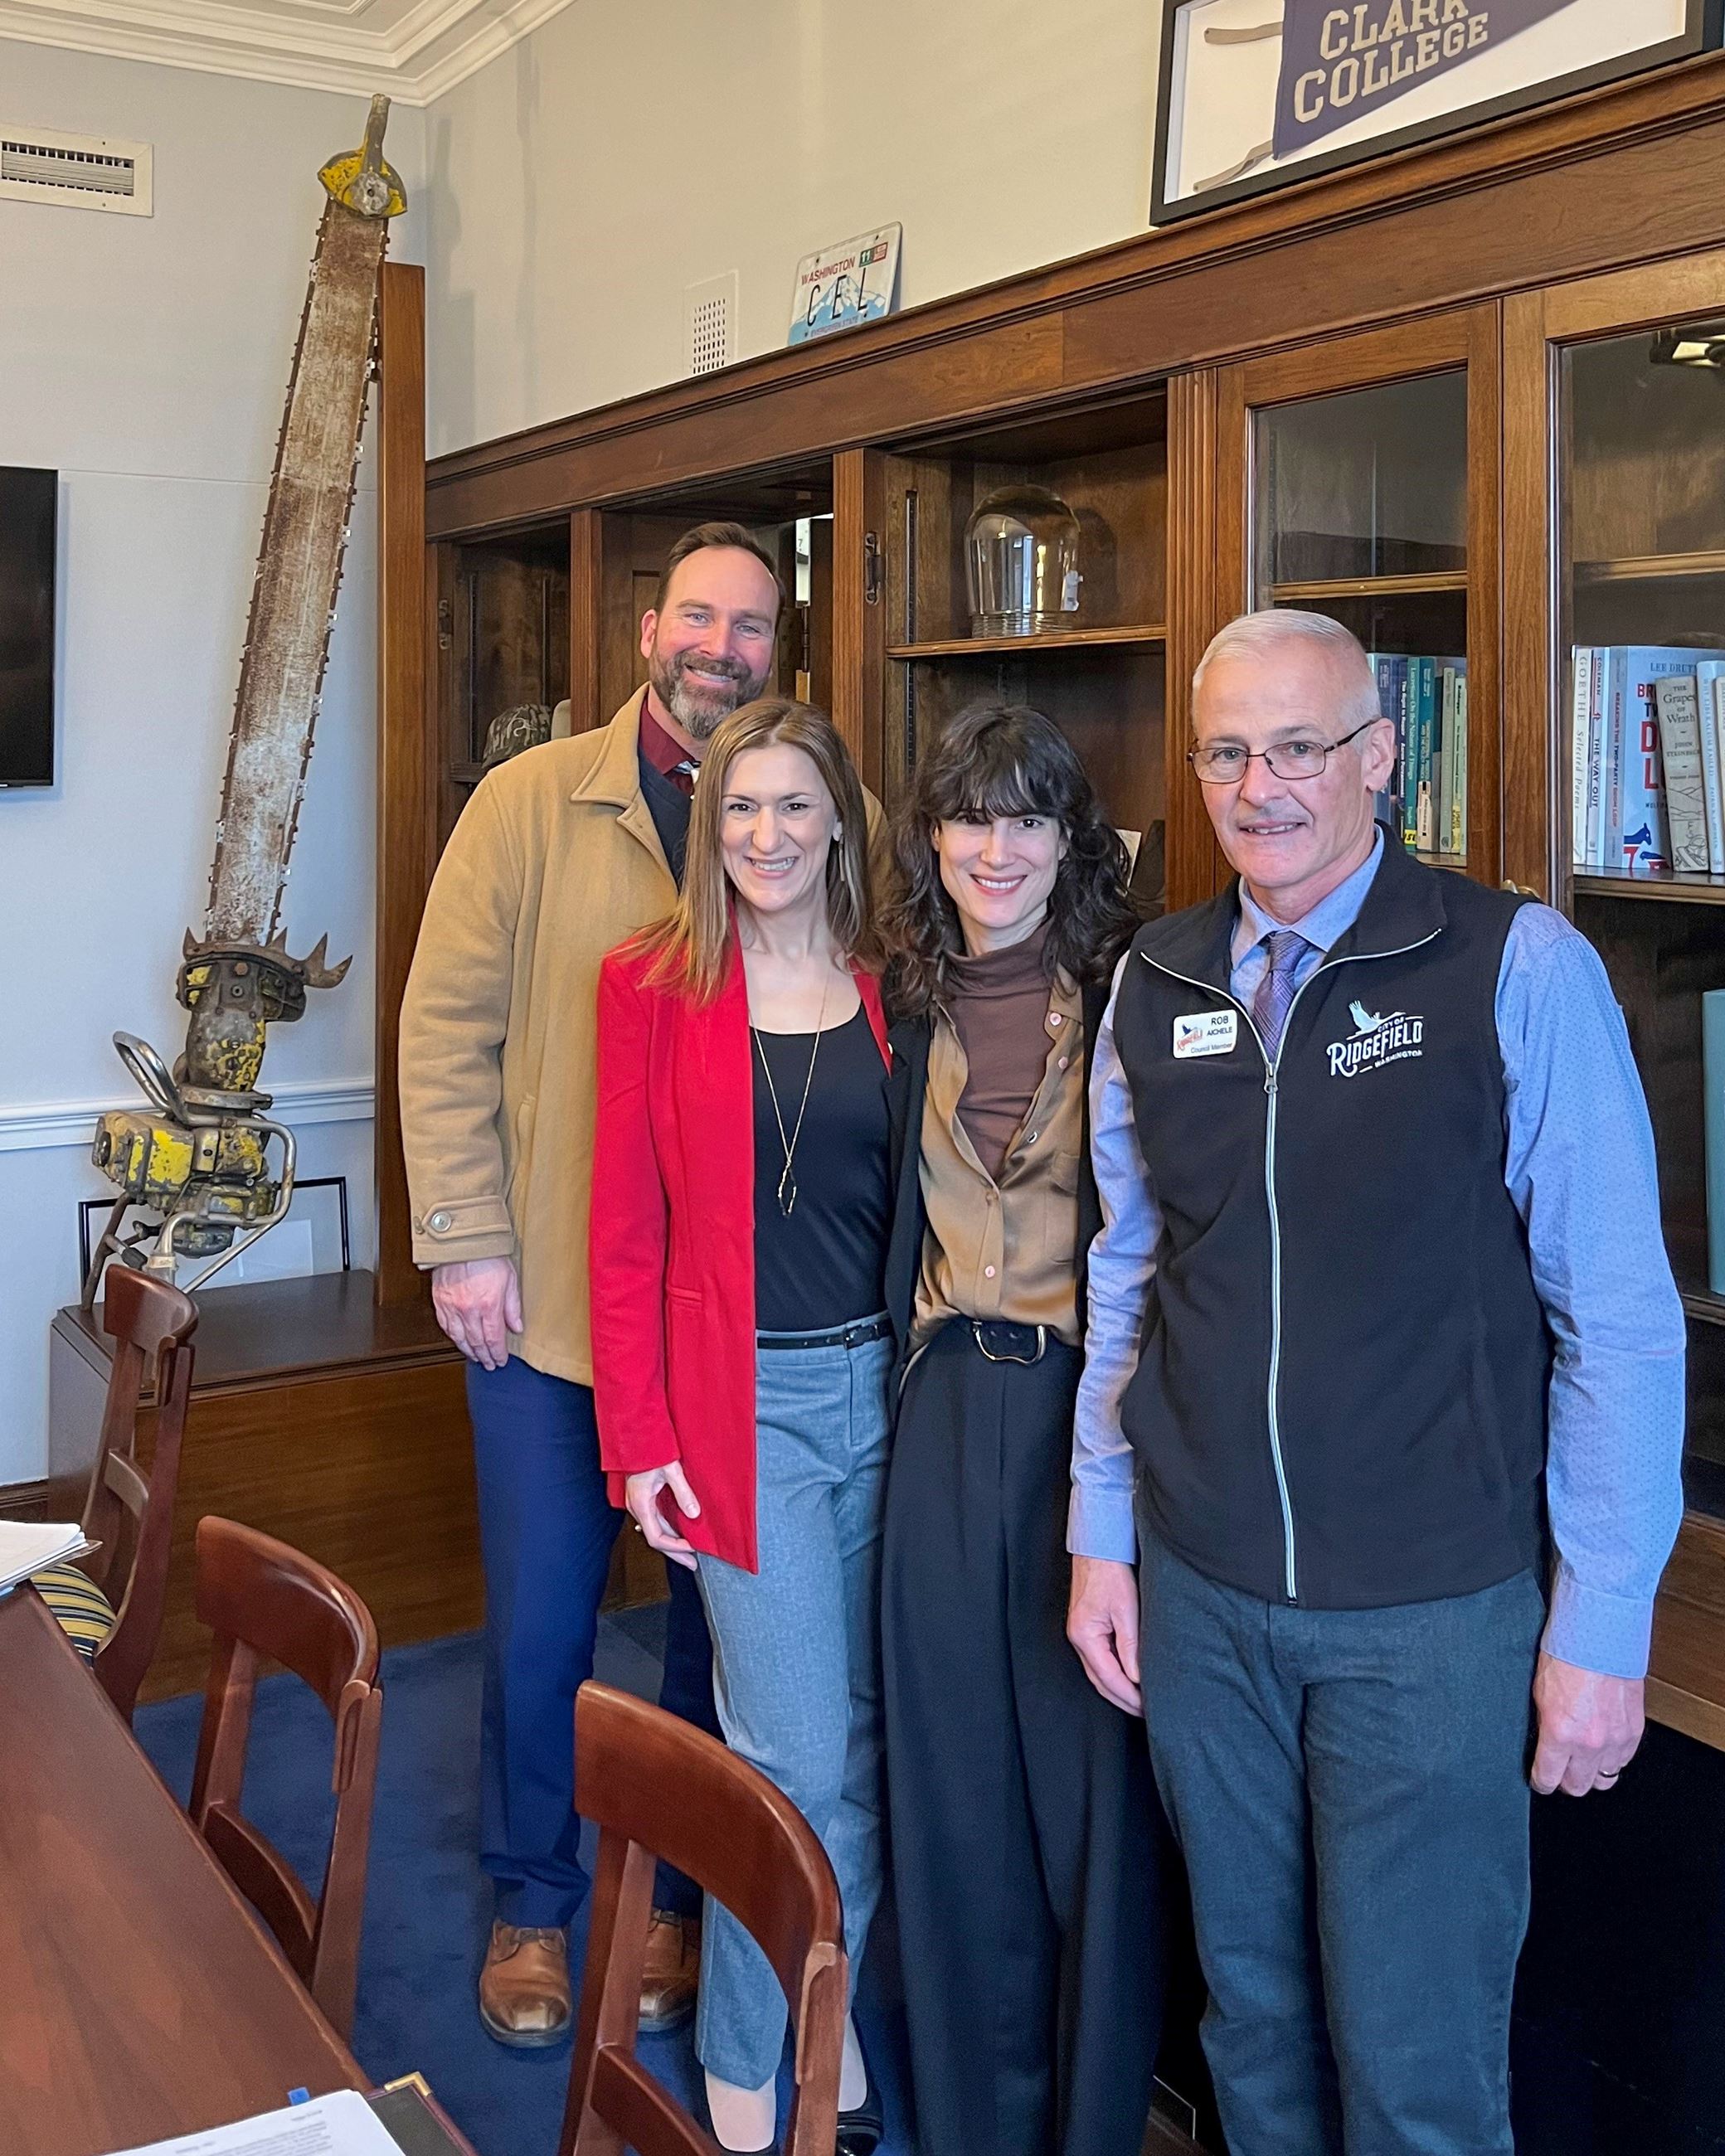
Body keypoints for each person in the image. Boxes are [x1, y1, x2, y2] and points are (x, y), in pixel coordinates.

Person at [1067, 609, 1687, 2156]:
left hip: (1428, 1620)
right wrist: (1099, 1526)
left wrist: (1604, 1621)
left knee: (1417, 2064)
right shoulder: (1154, 982)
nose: (1260, 785)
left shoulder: (1509, 962)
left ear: (1377, 758)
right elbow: (1129, 1273)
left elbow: (1616, 1312)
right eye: (1226, 751)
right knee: (1254, 2029)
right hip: (1203, 1602)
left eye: (1298, 746)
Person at [398, 522, 784, 2047]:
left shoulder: (807, 805)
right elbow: (445, 1034)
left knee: (715, 1635)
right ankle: (536, 1902)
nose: (723, 647)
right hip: (549, 1306)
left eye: (752, 626)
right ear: (646, 633)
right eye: (699, 616)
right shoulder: (526, 802)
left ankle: (679, 1903)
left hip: (727, 1326)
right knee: (548, 1623)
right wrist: (463, 1239)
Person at [590, 699, 892, 2156]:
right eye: (738, 810)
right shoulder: (649, 984)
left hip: (893, 1397)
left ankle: (831, 2054)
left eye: (791, 806)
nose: (765, 837)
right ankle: (746, 2069)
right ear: (709, 831)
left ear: (839, 816)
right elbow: (624, 1239)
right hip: (738, 1409)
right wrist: (638, 1438)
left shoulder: (900, 984)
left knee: (876, 1749)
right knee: (792, 1756)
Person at [878, 705, 1168, 2156]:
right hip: (941, 1412)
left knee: (1088, 1805)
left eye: (1029, 820)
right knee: (948, 1791)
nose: (997, 851)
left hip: (1086, 1421)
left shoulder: (1145, 994)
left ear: (1075, 840)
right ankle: (959, 2123)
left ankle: (1091, 2125)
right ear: (933, 837)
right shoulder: (900, 999)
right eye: (969, 819)